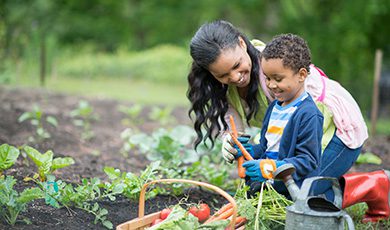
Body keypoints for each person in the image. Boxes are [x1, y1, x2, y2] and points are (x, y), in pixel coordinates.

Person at [187, 20, 389, 223]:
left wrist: (274, 168)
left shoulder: (280, 71)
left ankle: (372, 185)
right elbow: (236, 128)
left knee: (300, 197)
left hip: (337, 131)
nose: (235, 77)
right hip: (296, 138)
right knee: (269, 191)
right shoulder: (227, 87)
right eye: (222, 75)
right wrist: (232, 143)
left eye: (237, 66)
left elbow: (307, 152)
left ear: (241, 43)